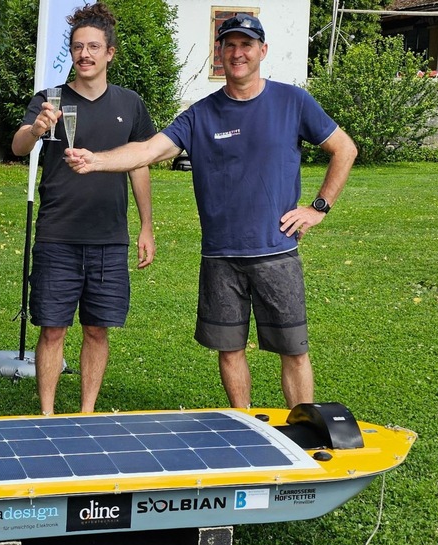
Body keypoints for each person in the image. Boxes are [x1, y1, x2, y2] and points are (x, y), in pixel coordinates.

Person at [66, 14, 358, 409]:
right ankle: (247, 424)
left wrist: (319, 207)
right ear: (219, 52)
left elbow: (345, 148)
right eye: (230, 45)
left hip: (276, 252)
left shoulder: (292, 101)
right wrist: (96, 161)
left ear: (262, 51)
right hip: (220, 256)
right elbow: (149, 150)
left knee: (293, 349)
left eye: (246, 45)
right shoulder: (200, 115)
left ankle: (303, 427)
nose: (238, 53)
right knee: (229, 349)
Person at [10, 3, 155, 415]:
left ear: (110, 52)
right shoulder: (50, 100)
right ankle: (48, 414)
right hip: (57, 236)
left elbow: (140, 164)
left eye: (93, 47)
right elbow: (19, 146)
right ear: (71, 52)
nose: (84, 54)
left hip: (109, 238)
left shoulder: (130, 103)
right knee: (52, 329)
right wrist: (36, 129)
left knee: (97, 328)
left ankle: (87, 413)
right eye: (77, 47)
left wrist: (146, 227)